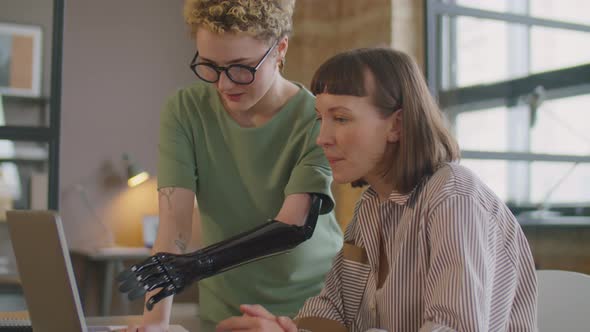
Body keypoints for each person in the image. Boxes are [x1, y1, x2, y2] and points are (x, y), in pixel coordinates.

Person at [216, 48, 538, 332]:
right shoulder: (371, 204)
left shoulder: (453, 196)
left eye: (340, 118)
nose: (322, 138)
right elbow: (332, 307)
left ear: (396, 125)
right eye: (320, 118)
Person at [130, 0, 343, 329]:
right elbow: (174, 227)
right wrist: (154, 323)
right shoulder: (185, 111)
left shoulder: (316, 118)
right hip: (225, 310)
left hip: (311, 308)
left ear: (280, 49)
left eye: (241, 68)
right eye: (210, 66)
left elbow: (293, 225)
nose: (224, 84)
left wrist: (198, 264)